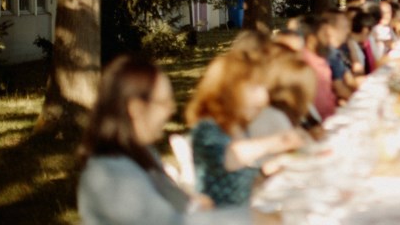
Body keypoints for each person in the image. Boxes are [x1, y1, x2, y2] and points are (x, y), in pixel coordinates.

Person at [77, 55, 270, 224]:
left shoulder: (142, 154)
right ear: (135, 108)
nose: (171, 110)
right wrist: (250, 219)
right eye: (163, 102)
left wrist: (195, 203)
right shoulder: (111, 173)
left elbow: (180, 203)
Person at [187, 51, 305, 206]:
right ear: (228, 89)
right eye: (254, 88)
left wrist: (267, 171)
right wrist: (277, 142)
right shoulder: (206, 129)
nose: (263, 98)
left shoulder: (239, 126)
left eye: (264, 89)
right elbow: (229, 156)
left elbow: (242, 182)